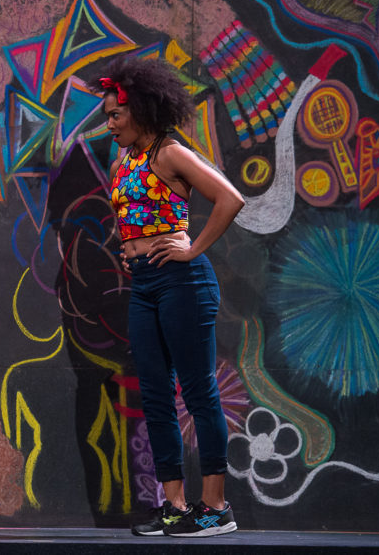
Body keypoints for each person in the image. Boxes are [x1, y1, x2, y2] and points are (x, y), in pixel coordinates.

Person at [93, 56, 244, 537]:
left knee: (198, 391)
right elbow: (134, 216)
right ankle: (175, 506)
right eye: (107, 116)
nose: (109, 123)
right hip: (144, 283)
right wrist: (129, 249)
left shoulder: (168, 152)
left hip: (184, 282)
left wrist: (193, 248)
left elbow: (230, 199)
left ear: (140, 109)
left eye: (115, 114)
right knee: (156, 395)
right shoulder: (123, 161)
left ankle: (216, 508)